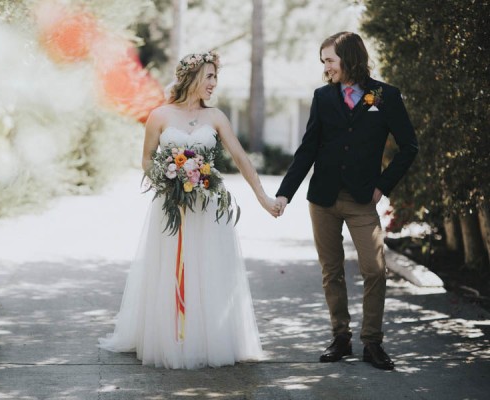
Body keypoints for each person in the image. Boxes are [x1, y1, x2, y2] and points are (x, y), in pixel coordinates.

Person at [98, 50, 278, 369]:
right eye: (209, 77)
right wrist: (168, 180)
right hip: (172, 207)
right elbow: (146, 158)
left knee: (208, 270)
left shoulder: (217, 117)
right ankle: (172, 339)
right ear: (192, 77)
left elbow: (241, 158)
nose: (214, 83)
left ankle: (208, 340)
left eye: (215, 78)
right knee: (171, 270)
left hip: (208, 208)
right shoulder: (160, 115)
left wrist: (263, 198)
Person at [274, 32, 418, 370]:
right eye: (323, 61)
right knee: (331, 271)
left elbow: (409, 146)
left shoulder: (384, 95)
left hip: (361, 200)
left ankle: (372, 342)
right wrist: (284, 193)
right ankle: (341, 337)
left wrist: (383, 185)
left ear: (349, 58)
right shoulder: (323, 96)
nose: (325, 68)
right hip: (322, 198)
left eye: (330, 60)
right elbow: (308, 147)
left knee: (375, 270)